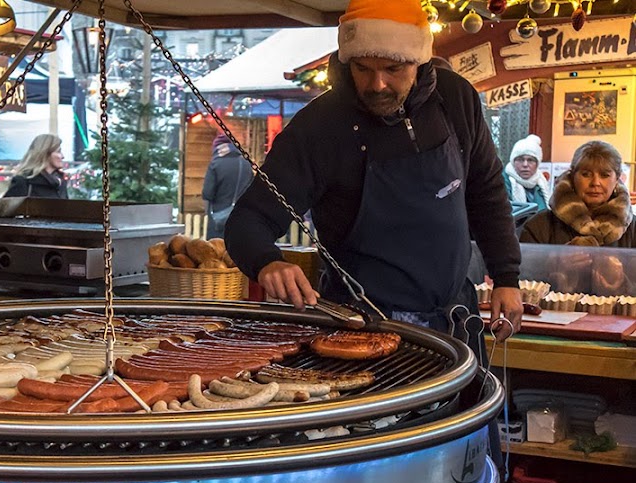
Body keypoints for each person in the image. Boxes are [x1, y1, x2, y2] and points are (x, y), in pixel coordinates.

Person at [225, 0, 523, 341]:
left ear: (418, 60)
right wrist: (267, 261)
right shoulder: (319, 128)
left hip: (453, 321)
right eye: (363, 68)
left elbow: (485, 191)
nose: (377, 84)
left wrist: (506, 277)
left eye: (393, 69)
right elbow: (247, 221)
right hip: (361, 327)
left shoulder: (456, 100)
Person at [519, 140, 635, 295]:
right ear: (573, 176)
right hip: (553, 318)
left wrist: (621, 283)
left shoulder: (632, 228)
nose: (595, 182)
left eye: (605, 175)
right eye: (586, 174)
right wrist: (555, 266)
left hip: (617, 319)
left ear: (617, 179)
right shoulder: (538, 226)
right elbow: (520, 284)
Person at [202, 132, 251, 239]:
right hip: (243, 217)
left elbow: (207, 193)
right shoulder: (246, 164)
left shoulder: (215, 164)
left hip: (219, 220)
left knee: (216, 251)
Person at [3, 133, 68, 199]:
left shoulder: (60, 183)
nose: (63, 156)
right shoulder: (24, 182)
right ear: (45, 153)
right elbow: (6, 208)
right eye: (58, 151)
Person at [504, 134, 550, 212]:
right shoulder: (502, 183)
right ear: (513, 162)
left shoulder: (541, 183)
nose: (525, 164)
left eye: (530, 160)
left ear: (537, 164)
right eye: (520, 159)